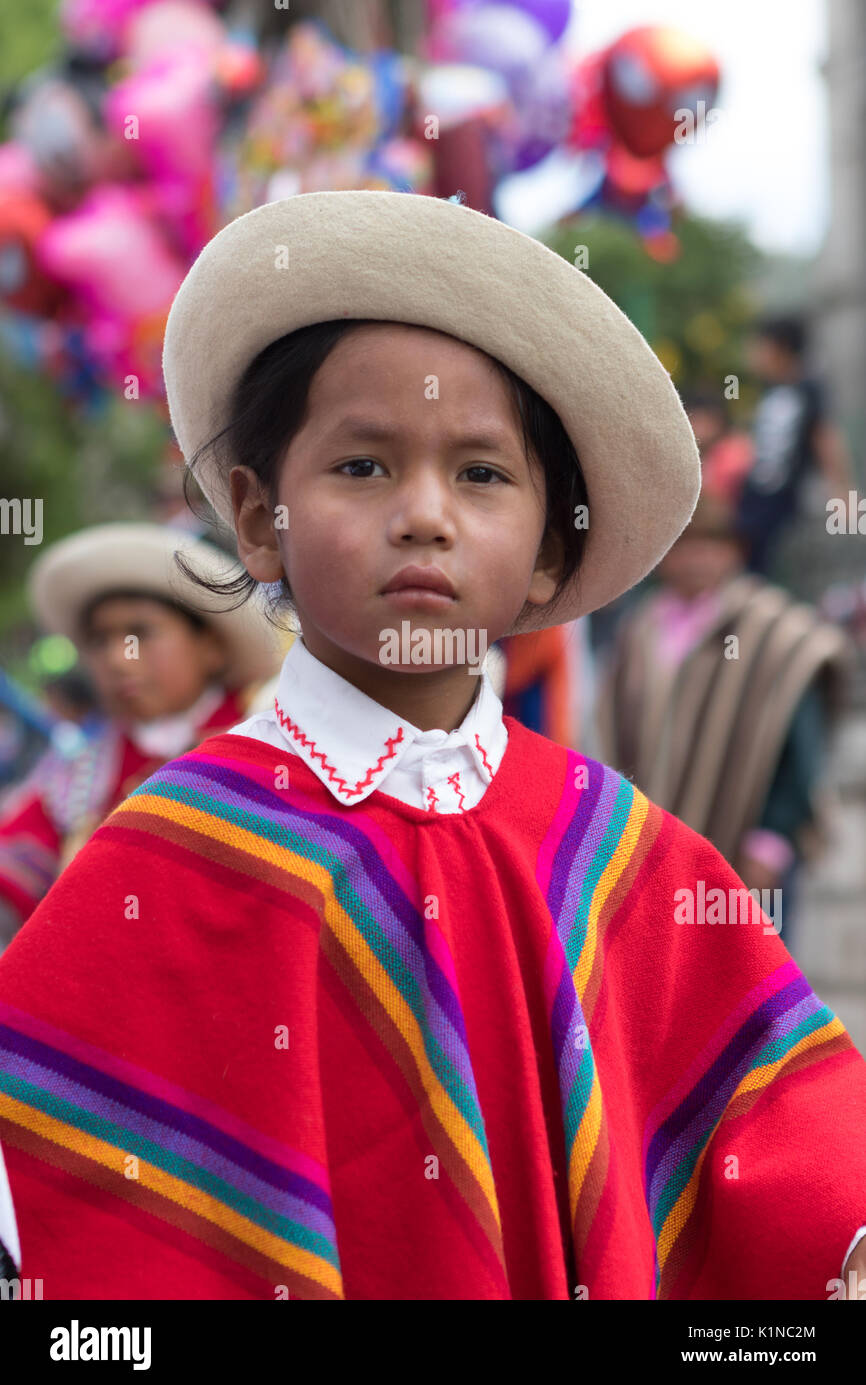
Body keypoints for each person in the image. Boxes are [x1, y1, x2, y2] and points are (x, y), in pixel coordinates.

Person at [0, 191, 864, 1301]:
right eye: (361, 466)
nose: (424, 514)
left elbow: (787, 1143)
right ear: (260, 514)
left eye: (482, 474)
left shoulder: (617, 854)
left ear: (553, 551)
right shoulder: (170, 858)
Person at [0, 523, 280, 948]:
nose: (117, 657)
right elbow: (20, 856)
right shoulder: (82, 771)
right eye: (99, 641)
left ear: (211, 646)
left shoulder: (270, 744)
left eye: (139, 633)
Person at [595, 491, 851, 948]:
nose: (696, 559)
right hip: (658, 848)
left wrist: (771, 839)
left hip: (748, 847)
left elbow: (798, 746)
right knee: (667, 978)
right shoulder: (640, 628)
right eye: (683, 546)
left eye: (710, 546)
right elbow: (612, 733)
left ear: (735, 552)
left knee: (754, 982)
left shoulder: (775, 631)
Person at [737, 314, 856, 576]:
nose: (753, 354)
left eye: (759, 346)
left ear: (780, 348)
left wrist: (842, 492)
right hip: (757, 496)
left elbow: (825, 438)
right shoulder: (766, 388)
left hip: (787, 499)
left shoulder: (809, 388)